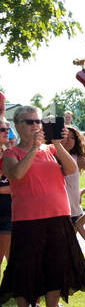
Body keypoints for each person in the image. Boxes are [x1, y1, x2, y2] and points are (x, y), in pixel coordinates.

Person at [0, 105, 85, 307]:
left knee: (56, 266)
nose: (35, 126)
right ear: (18, 126)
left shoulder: (51, 150)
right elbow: (17, 174)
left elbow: (71, 169)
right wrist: (34, 148)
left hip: (58, 216)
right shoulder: (11, 154)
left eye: (38, 122)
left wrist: (57, 144)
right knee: (24, 268)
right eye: (30, 122)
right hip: (27, 219)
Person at [0, 115, 11, 279]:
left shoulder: (9, 155)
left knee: (13, 258)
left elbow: (17, 187)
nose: (6, 132)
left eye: (8, 129)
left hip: (10, 212)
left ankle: (24, 296)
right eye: (2, 129)